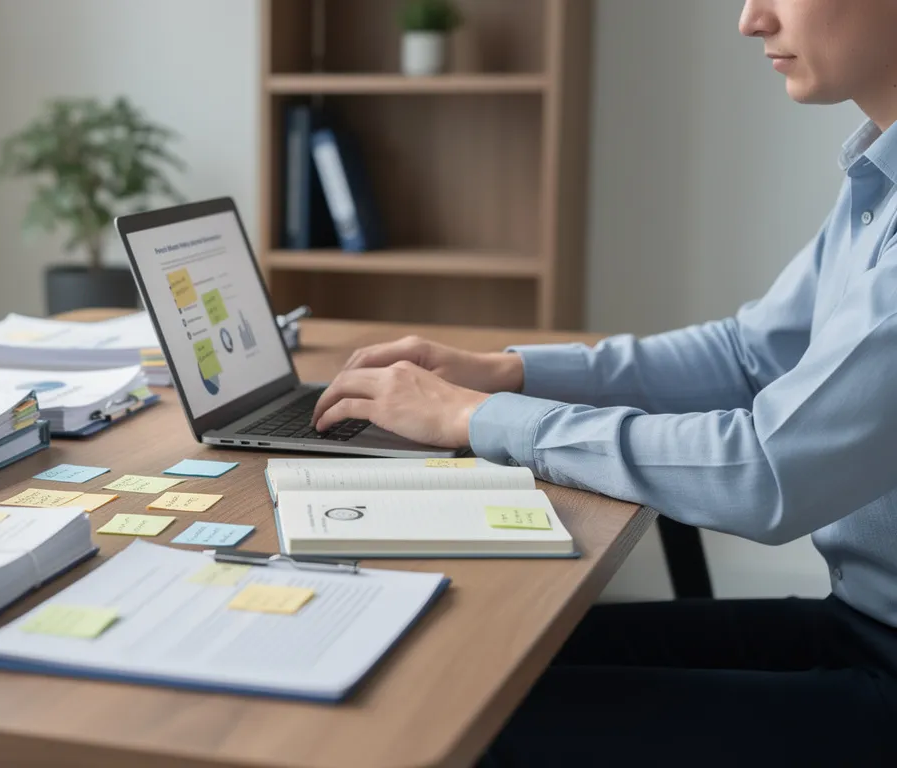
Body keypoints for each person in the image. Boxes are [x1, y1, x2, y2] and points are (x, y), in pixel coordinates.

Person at [311, 0, 897, 765]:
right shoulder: (879, 178)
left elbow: (768, 472)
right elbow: (749, 356)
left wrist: (479, 417)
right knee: (462, 664)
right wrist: (511, 371)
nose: (751, 19)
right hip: (858, 627)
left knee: (454, 725)